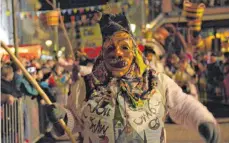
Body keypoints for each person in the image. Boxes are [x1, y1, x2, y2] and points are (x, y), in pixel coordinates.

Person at [46, 13, 220, 143]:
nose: (118, 54)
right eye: (111, 49)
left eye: (124, 47)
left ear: (135, 50)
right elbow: (75, 121)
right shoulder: (85, 86)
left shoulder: (155, 81)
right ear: (103, 53)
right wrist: (62, 118)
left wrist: (202, 120)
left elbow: (182, 105)